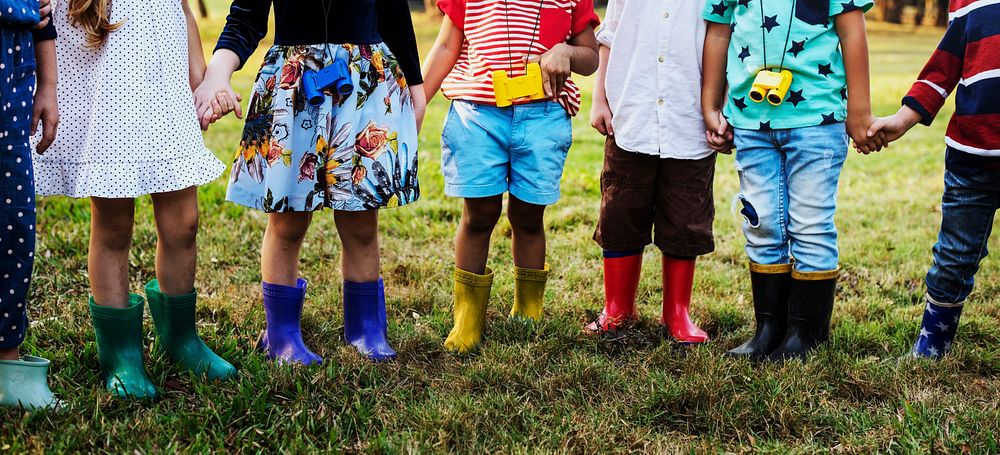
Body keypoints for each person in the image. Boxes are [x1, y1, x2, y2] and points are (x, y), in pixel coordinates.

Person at [196, 0, 426, 364]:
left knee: (361, 219)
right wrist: (216, 75)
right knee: (287, 219)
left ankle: (366, 327)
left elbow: (394, 13)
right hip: (294, 87)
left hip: (364, 84)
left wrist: (415, 84)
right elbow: (245, 20)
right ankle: (281, 336)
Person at [32, 0, 235, 399]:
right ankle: (121, 355)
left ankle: (181, 338)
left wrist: (199, 76)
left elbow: (181, 7)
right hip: (107, 92)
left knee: (184, 221)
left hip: (165, 86)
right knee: (114, 225)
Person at [702, 0, 883, 361]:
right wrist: (711, 105)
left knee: (810, 223)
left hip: (816, 121)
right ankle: (770, 329)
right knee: (761, 222)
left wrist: (860, 112)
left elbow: (852, 31)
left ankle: (807, 335)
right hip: (751, 124)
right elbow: (719, 32)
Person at [421, 0, 599, 353]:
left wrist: (566, 51)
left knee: (529, 216)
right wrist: (418, 103)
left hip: (543, 117)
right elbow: (445, 45)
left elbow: (590, 56)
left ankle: (528, 311)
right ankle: (468, 318)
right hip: (478, 116)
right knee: (479, 215)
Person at [585, 0, 726, 344]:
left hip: (689, 117)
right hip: (632, 113)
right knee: (621, 209)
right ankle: (618, 307)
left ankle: (677, 313)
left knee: (685, 215)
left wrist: (721, 106)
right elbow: (610, 34)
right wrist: (599, 98)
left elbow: (725, 39)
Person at [867, 0, 1000, 359]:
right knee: (954, 254)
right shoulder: (967, 2)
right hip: (971, 156)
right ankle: (933, 343)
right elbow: (944, 67)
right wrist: (903, 119)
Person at [0, 0, 58, 409]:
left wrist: (49, 85)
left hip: (12, 76)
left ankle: (7, 361)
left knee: (13, 222)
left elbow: (44, 12)